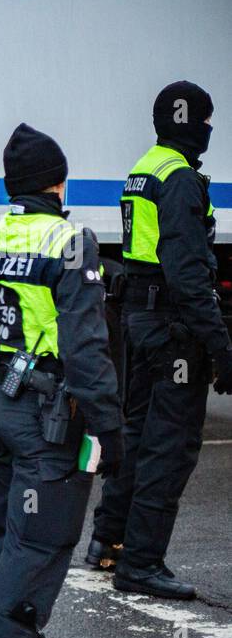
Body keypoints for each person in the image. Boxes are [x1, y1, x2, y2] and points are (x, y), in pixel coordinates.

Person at [0, 124, 123, 638]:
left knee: (12, 536)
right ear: (59, 182)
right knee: (42, 545)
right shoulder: (70, 239)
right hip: (47, 413)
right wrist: (112, 428)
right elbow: (85, 346)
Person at [85, 81, 231, 599]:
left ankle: (108, 540)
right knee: (171, 447)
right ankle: (142, 562)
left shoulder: (144, 169)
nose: (211, 129)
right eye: (208, 120)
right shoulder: (182, 180)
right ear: (192, 123)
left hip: (140, 322)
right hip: (173, 329)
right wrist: (221, 348)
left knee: (137, 434)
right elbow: (189, 276)